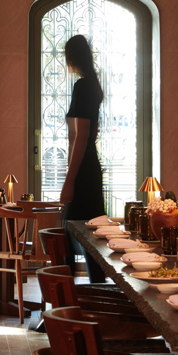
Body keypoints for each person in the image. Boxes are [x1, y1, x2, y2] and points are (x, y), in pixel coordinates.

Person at [60, 34, 106, 283]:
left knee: (71, 232)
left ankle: (67, 294)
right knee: (89, 233)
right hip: (88, 167)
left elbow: (81, 136)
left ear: (72, 57)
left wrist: (69, 180)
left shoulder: (83, 86)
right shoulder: (92, 85)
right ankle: (91, 289)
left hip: (84, 170)